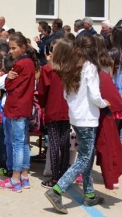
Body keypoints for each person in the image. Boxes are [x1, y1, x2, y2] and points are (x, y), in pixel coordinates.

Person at [44, 36, 109, 213]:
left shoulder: (71, 66)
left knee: (87, 156)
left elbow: (66, 95)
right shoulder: (90, 67)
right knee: (85, 158)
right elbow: (95, 96)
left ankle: (89, 195)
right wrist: (105, 103)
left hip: (75, 116)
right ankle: (57, 190)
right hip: (87, 118)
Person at [0, 33, 38, 192]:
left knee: (17, 143)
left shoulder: (21, 64)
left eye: (14, 48)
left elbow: (9, 86)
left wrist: (8, 77)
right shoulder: (29, 63)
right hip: (24, 106)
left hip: (16, 107)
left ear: (23, 47)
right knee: (24, 143)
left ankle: (15, 179)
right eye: (10, 48)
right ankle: (25, 176)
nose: (11, 51)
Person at [37, 39, 71, 188]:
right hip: (69, 108)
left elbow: (42, 91)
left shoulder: (48, 69)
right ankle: (63, 175)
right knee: (64, 143)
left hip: (53, 107)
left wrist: (42, 106)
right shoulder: (73, 68)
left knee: (55, 143)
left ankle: (56, 177)